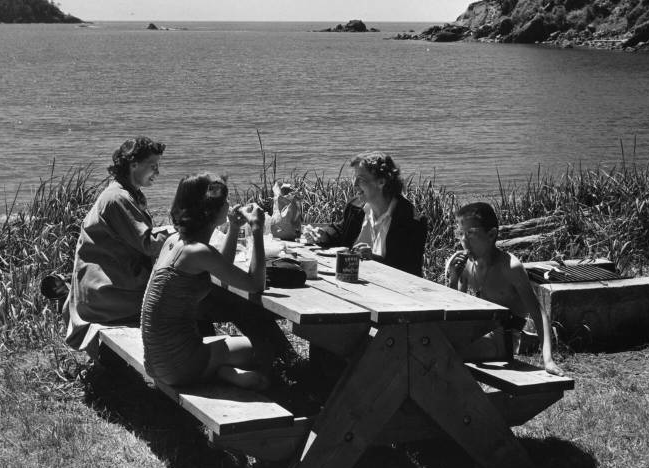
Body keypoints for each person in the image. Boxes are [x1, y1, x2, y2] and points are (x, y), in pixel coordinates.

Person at [141, 173, 272, 390]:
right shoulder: (197, 252)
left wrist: (234, 228)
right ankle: (248, 382)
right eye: (225, 200)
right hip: (178, 366)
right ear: (209, 210)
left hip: (156, 361)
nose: (229, 204)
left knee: (232, 342)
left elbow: (220, 270)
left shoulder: (176, 240)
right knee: (262, 348)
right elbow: (256, 284)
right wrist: (257, 230)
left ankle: (222, 372)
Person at [65, 137, 169, 352]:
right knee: (183, 302)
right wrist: (184, 232)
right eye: (153, 166)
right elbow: (149, 244)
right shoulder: (117, 198)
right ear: (134, 165)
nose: (157, 172)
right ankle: (188, 363)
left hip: (103, 290)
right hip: (107, 297)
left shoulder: (123, 194)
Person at [445, 202, 563, 375]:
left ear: (491, 234)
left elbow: (539, 314)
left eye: (471, 234)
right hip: (476, 335)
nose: (464, 240)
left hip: (501, 342)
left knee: (441, 350)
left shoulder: (510, 268)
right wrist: (453, 279)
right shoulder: (467, 265)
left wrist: (548, 360)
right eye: (460, 234)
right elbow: (456, 311)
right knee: (427, 339)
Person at [301, 152, 427, 276]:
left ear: (381, 182)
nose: (354, 185)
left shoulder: (411, 220)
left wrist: (373, 258)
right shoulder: (355, 207)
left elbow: (409, 269)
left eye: (360, 179)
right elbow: (341, 231)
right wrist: (323, 235)